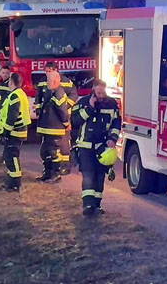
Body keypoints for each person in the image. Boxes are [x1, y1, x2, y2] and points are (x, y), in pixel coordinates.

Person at [71, 79, 121, 216]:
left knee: (99, 176)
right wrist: (90, 108)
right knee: (88, 174)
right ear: (93, 90)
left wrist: (113, 139)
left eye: (103, 92)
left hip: (102, 146)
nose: (101, 95)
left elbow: (116, 123)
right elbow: (75, 121)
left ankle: (97, 205)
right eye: (98, 93)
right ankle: (88, 205)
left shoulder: (112, 104)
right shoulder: (83, 102)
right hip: (85, 145)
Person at [35, 61, 77, 173]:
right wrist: (39, 109)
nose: (47, 73)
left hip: (62, 117)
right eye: (46, 71)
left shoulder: (65, 82)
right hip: (50, 118)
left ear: (56, 71)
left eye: (50, 71)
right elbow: (39, 96)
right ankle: (52, 170)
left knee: (63, 144)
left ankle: (64, 167)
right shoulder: (43, 82)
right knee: (49, 148)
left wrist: (65, 105)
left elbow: (73, 94)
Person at [0, 72, 30, 191]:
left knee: (11, 157)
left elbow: (12, 116)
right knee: (9, 157)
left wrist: (5, 132)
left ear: (11, 82)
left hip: (14, 132)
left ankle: (15, 184)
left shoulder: (15, 96)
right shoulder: (20, 94)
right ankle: (11, 183)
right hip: (18, 131)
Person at [36, 71, 70, 183]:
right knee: (45, 152)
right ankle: (47, 173)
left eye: (48, 80)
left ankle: (56, 174)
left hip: (55, 129)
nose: (46, 82)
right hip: (47, 128)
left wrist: (66, 124)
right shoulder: (50, 91)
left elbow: (63, 112)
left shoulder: (59, 93)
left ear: (55, 81)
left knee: (53, 152)